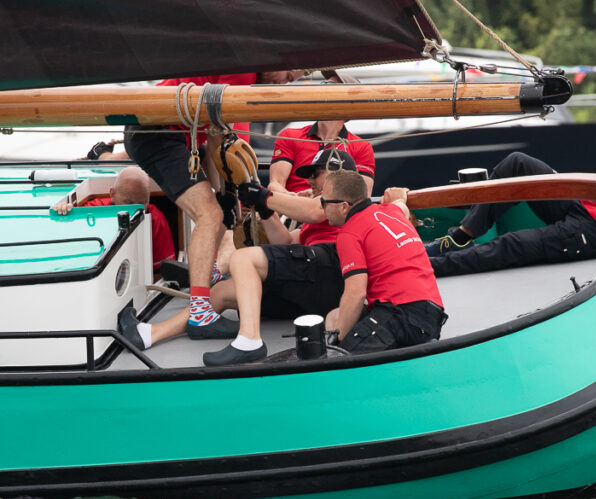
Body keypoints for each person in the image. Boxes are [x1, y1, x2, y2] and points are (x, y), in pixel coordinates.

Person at [426, 46, 596, 277]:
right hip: (588, 205)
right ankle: (459, 239)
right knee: (518, 163)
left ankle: (430, 267)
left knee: (511, 244)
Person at [123, 71, 304, 340]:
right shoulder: (244, 68)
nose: (286, 81)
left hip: (165, 135)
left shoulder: (247, 69)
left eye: (293, 79)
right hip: (159, 134)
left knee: (217, 213)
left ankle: (208, 276)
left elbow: (211, 141)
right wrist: (228, 195)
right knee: (209, 214)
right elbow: (217, 134)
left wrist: (224, 194)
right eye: (287, 74)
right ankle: (200, 313)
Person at [199, 149, 374, 366]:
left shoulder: (340, 206)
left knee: (243, 257)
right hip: (311, 279)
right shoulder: (314, 220)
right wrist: (265, 211)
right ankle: (173, 327)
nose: (309, 181)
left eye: (315, 174)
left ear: (338, 176)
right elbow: (286, 242)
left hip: (331, 271)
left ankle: (249, 340)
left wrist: (265, 197)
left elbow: (314, 210)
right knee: (220, 292)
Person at [323, 171, 447, 352]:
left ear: (343, 207)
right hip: (432, 315)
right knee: (335, 317)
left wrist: (339, 342)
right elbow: (401, 205)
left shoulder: (349, 233)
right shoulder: (393, 211)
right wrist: (400, 197)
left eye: (324, 202)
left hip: (401, 315)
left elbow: (356, 293)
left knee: (342, 356)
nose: (322, 209)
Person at [268, 75, 374, 197]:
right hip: (292, 206)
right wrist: (298, 200)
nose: (322, 90)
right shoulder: (289, 136)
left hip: (334, 206)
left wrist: (317, 199)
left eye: (330, 87)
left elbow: (362, 196)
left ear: (349, 103)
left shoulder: (361, 147)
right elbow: (275, 184)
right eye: (323, 84)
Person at [52, 166, 175, 271]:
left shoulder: (156, 220)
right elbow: (70, 228)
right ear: (112, 194)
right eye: (129, 203)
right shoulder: (95, 211)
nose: (136, 210)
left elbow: (161, 273)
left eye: (142, 203)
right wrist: (63, 210)